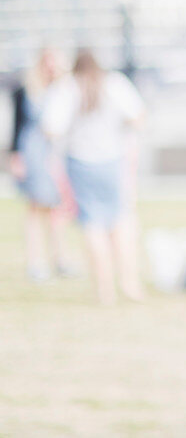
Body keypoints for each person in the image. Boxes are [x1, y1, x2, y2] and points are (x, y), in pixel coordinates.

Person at [42, 50, 146, 305]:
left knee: (92, 226)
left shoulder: (66, 88)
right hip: (113, 160)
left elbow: (51, 129)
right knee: (121, 220)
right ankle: (129, 282)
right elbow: (138, 117)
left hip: (80, 163)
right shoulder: (115, 83)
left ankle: (104, 291)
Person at [9, 47, 76, 281]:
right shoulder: (25, 90)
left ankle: (60, 258)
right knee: (36, 208)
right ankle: (35, 262)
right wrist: (16, 155)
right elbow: (17, 125)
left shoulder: (64, 90)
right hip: (33, 153)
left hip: (56, 154)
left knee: (57, 210)